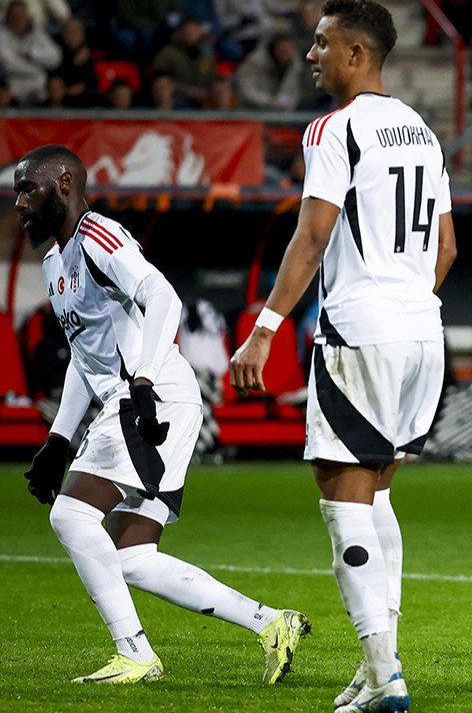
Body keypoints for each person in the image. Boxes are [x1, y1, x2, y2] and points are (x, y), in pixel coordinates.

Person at [229, 0, 458, 712]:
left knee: (342, 499)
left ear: (357, 53)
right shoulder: (423, 131)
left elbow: (311, 236)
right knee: (378, 493)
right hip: (423, 333)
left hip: (361, 333)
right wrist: (405, 302)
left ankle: (385, 673)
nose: (311, 55)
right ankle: (377, 664)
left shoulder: (334, 128)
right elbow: (448, 248)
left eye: (322, 43)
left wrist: (265, 327)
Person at [14, 144, 309, 686]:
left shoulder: (99, 235)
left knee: (70, 516)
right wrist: (57, 439)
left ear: (63, 184)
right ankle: (272, 623)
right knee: (132, 556)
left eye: (27, 189)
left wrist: (145, 380)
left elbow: (164, 297)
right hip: (145, 399)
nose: (18, 203)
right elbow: (85, 358)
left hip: (150, 399)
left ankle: (135, 655)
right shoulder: (55, 262)